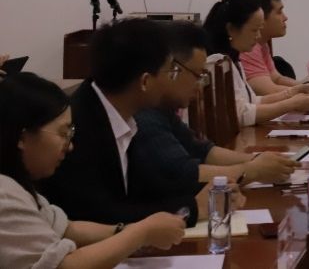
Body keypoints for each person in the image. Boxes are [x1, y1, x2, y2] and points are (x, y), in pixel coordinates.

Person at [38, 19, 226, 226]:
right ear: (145, 81)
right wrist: (192, 208)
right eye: (169, 72)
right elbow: (101, 215)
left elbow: (148, 188)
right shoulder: (79, 126)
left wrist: (206, 193)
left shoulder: (121, 112)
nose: (171, 80)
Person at [0, 71, 186, 269]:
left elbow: (66, 228)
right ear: (22, 137)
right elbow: (63, 266)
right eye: (63, 133)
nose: (69, 146)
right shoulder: (5, 195)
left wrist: (126, 232)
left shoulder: (18, 186)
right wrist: (141, 233)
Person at [131, 21, 299, 199]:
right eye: (197, 75)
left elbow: (202, 150)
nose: (199, 85)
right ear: (172, 70)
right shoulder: (144, 117)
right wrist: (251, 170)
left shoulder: (162, 109)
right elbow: (184, 174)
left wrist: (257, 161)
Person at [203, 0, 309, 126]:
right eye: (254, 30)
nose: (258, 36)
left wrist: (292, 92)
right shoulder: (216, 62)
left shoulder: (233, 59)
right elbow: (240, 114)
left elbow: (252, 101)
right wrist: (291, 104)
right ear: (231, 29)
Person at [240, 0, 309, 99]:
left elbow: (277, 79)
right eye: (279, 12)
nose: (285, 18)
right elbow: (268, 91)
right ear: (260, 16)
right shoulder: (248, 48)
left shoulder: (262, 44)